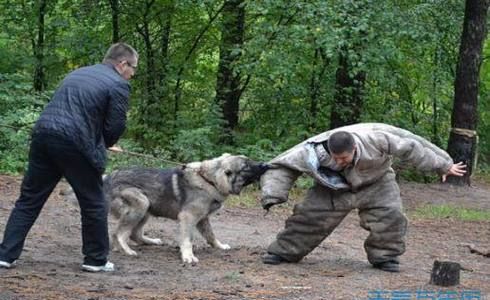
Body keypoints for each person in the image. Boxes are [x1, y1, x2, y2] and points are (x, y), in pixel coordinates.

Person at [0, 42, 138, 272]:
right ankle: (95, 260)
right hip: (75, 142)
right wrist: (107, 142)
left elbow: (73, 110)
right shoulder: (118, 84)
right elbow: (115, 125)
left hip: (44, 135)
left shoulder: (78, 73)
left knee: (29, 200)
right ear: (122, 63)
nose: (132, 74)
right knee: (94, 202)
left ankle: (5, 255)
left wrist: (98, 139)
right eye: (133, 68)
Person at [260, 123, 466, 272]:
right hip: (333, 187)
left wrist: (443, 164)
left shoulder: (376, 137)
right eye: (335, 157)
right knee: (309, 218)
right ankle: (284, 251)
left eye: (344, 157)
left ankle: (385, 257)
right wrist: (273, 193)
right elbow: (280, 165)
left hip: (377, 181)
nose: (339, 161)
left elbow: (413, 146)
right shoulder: (313, 151)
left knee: (391, 216)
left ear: (355, 148)